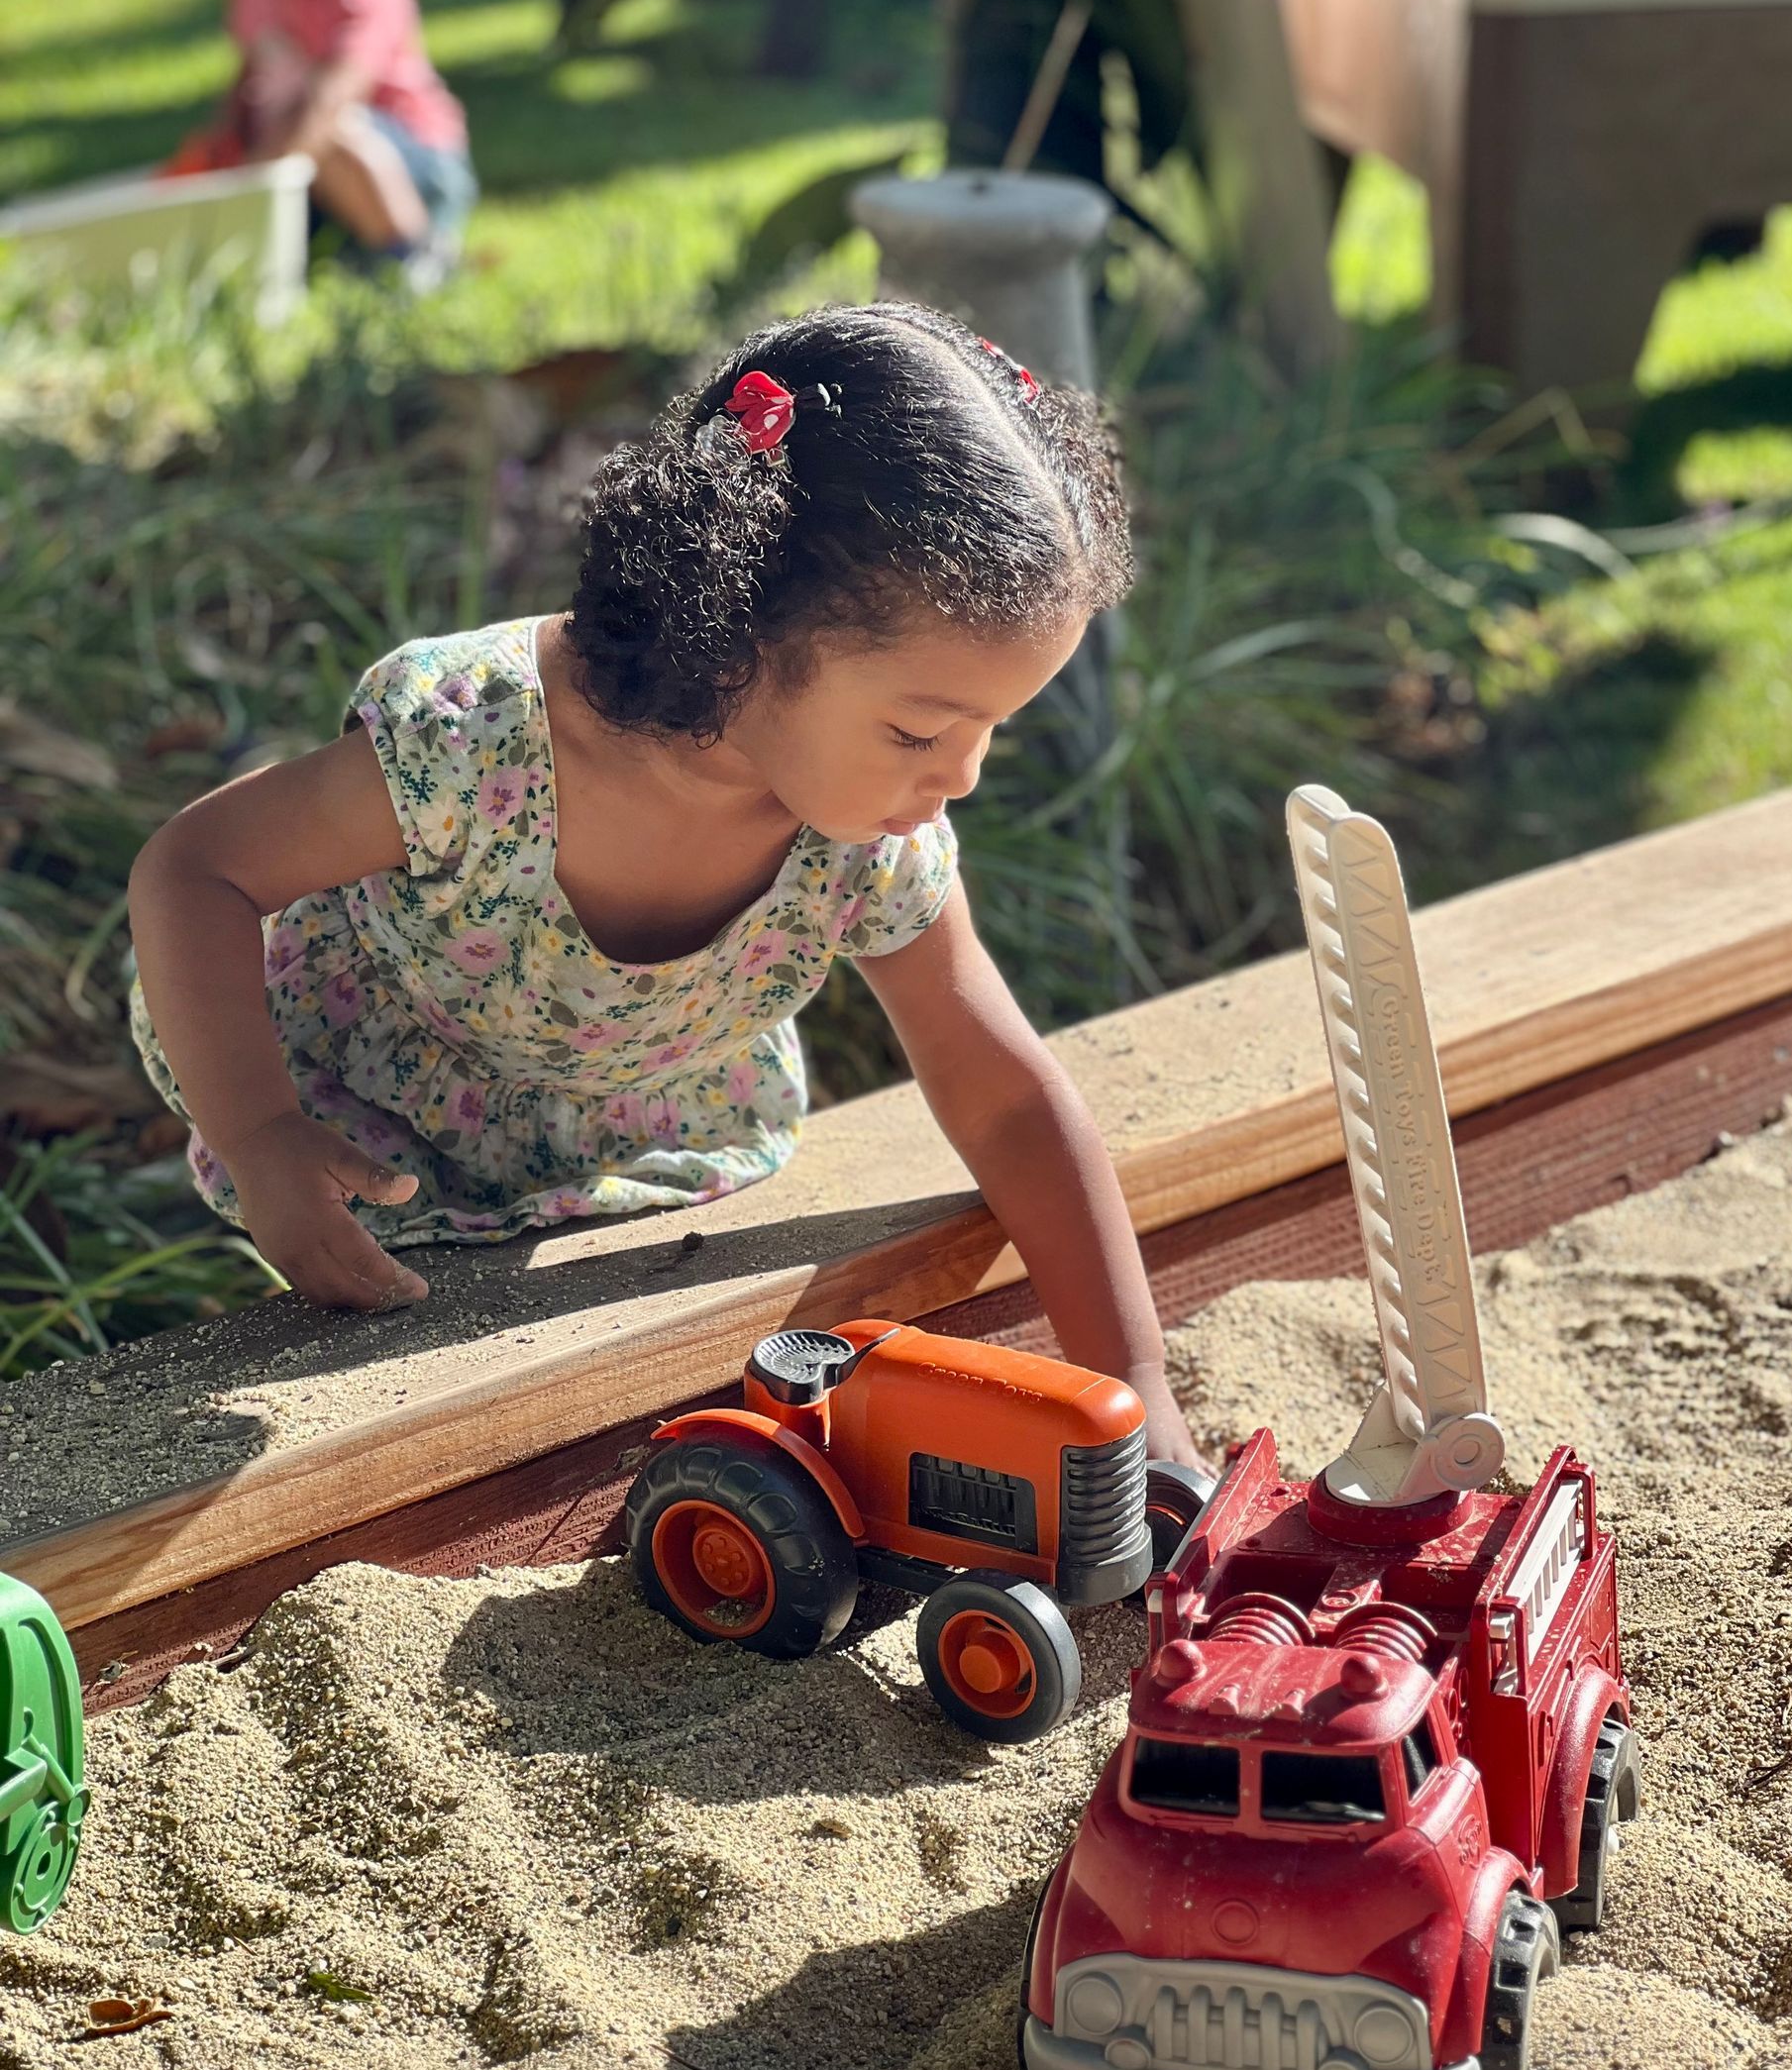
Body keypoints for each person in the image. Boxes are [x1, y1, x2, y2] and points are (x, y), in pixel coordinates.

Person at [127, 304, 1199, 1463]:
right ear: (737, 630)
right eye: (920, 728)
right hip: (386, 1118)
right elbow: (197, 869)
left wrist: (1136, 1385)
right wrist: (261, 1135)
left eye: (993, 729)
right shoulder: (477, 742)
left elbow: (1003, 1095)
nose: (964, 775)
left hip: (646, 1122)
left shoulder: (866, 838)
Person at [177, 0, 476, 282]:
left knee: (334, 131)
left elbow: (330, 104)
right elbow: (246, 82)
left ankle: (414, 254)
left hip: (413, 156)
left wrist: (246, 189)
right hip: (301, 165)